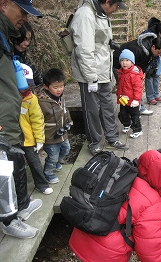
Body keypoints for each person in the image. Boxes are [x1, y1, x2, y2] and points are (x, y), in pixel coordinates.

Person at [69, 147, 161, 262]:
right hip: (105, 255)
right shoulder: (153, 204)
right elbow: (148, 250)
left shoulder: (124, 171)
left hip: (80, 234)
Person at [0, 0, 43, 239]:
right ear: (4, 4)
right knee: (3, 169)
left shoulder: (5, 34)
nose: (25, 17)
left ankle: (22, 204)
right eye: (23, 11)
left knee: (15, 159)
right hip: (1, 119)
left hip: (9, 113)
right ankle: (9, 219)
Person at [70, 0, 128, 155]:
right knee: (92, 110)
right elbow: (84, 50)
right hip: (89, 74)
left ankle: (112, 137)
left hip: (103, 71)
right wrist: (91, 78)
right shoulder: (85, 14)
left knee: (107, 106)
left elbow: (99, 41)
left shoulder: (101, 13)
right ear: (108, 2)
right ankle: (95, 143)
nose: (116, 10)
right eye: (116, 6)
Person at [19, 63, 53, 194]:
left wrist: (39, 140)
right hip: (12, 137)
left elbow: (37, 120)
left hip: (28, 138)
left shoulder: (31, 99)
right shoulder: (9, 98)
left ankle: (42, 184)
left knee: (35, 163)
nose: (26, 89)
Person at [114, 33, 161, 115]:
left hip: (130, 67)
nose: (159, 55)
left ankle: (135, 109)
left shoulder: (151, 48)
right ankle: (133, 110)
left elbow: (142, 66)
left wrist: (141, 74)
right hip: (119, 65)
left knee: (134, 87)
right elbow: (134, 66)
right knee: (128, 88)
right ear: (153, 47)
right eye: (159, 52)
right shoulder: (140, 50)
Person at [37, 68, 72, 184]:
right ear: (46, 86)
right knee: (52, 155)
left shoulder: (61, 97)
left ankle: (57, 162)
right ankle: (48, 173)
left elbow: (65, 110)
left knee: (66, 149)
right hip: (50, 136)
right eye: (55, 87)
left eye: (61, 86)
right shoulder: (42, 102)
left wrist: (69, 121)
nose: (59, 89)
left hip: (62, 133)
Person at [116, 49, 144, 138]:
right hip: (123, 99)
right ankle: (126, 124)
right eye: (122, 60)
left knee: (135, 116)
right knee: (122, 114)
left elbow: (138, 88)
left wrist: (136, 100)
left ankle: (137, 130)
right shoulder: (121, 73)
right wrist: (118, 94)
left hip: (132, 101)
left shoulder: (134, 74)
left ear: (132, 62)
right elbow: (120, 85)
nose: (124, 63)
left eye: (127, 60)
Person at [13, 21, 43, 86]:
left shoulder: (23, 57)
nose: (27, 43)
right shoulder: (6, 57)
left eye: (28, 40)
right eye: (24, 39)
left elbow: (37, 77)